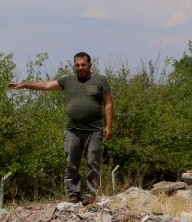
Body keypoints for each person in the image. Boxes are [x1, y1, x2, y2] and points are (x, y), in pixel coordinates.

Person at [7, 52, 113, 205]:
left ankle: (91, 193)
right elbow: (46, 85)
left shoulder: (100, 80)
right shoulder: (68, 80)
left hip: (94, 131)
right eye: (77, 65)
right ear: (74, 66)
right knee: (71, 163)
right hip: (73, 131)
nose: (80, 67)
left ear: (90, 65)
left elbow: (108, 103)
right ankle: (73, 193)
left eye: (83, 64)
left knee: (93, 163)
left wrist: (108, 126)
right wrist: (24, 85)